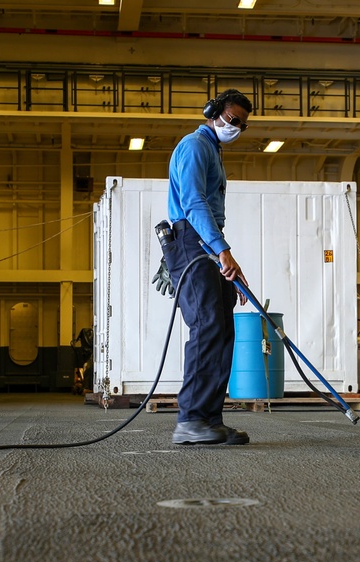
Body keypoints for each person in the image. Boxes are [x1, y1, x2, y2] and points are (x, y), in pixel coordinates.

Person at [155, 88, 253, 445]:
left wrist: (227, 262)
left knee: (223, 327)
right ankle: (191, 421)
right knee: (208, 324)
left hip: (204, 242)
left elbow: (206, 211)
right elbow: (193, 203)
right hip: (193, 241)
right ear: (213, 112)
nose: (236, 127)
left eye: (242, 124)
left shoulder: (212, 149)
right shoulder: (195, 146)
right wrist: (221, 251)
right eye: (232, 120)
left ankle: (210, 419)